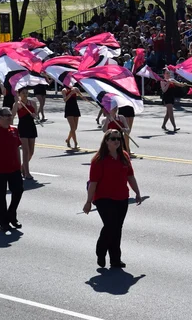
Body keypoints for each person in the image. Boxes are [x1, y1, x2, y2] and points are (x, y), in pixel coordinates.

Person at [83, 130, 142, 268]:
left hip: (121, 197)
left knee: (117, 228)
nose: (117, 141)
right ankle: (101, 251)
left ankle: (115, 259)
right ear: (106, 141)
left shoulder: (124, 156)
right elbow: (93, 183)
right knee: (110, 226)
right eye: (113, 138)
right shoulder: (98, 160)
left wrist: (137, 192)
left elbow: (130, 176)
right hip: (103, 198)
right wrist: (88, 202)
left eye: (119, 139)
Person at [12, 88, 37, 180]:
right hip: (23, 127)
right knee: (25, 151)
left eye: (26, 93)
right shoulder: (17, 104)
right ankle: (27, 173)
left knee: (31, 152)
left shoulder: (32, 103)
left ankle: (22, 167)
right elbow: (12, 115)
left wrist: (35, 115)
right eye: (23, 93)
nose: (25, 94)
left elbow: (36, 115)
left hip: (31, 127)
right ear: (19, 94)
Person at [62, 85, 81, 149]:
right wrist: (70, 93)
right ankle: (76, 143)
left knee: (75, 128)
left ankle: (68, 139)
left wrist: (78, 92)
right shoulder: (64, 90)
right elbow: (65, 100)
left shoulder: (75, 88)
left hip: (75, 108)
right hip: (69, 109)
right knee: (72, 127)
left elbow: (81, 95)